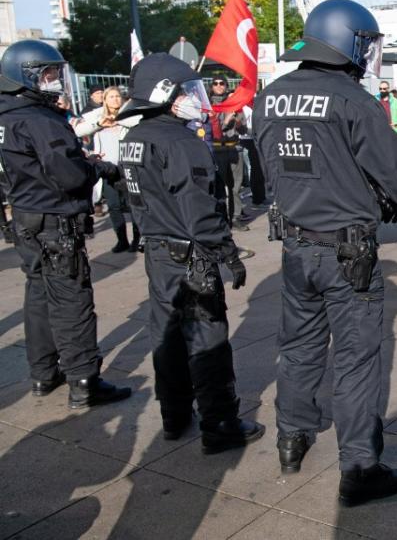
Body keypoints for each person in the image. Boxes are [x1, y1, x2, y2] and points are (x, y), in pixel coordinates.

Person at [254, 0, 397, 504]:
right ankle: (360, 468)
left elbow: (266, 168)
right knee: (355, 361)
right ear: (349, 42)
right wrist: (381, 201)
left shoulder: (271, 95)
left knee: (298, 347)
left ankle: (291, 436)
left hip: (296, 245)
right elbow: (395, 172)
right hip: (348, 253)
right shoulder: (351, 98)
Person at [115, 53, 264, 452]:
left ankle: (174, 415)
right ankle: (219, 424)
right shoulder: (182, 143)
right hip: (191, 254)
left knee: (167, 337)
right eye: (187, 91)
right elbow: (200, 209)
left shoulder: (134, 138)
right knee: (207, 340)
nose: (196, 98)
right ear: (167, 94)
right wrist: (226, 251)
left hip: (158, 251)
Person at [0, 39, 132, 409]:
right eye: (47, 73)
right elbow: (71, 176)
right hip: (56, 220)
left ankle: (43, 373)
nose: (55, 79)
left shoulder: (7, 116)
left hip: (25, 215)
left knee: (38, 295)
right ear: (25, 76)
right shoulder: (41, 120)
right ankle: (84, 381)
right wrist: (98, 167)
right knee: (71, 299)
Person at [73, 86, 140, 253]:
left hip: (127, 166)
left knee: (133, 206)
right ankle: (121, 240)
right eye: (111, 97)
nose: (115, 99)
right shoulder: (97, 116)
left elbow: (137, 123)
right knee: (114, 206)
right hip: (107, 168)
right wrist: (98, 124)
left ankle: (138, 239)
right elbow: (79, 131)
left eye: (118, 96)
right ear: (104, 100)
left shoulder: (129, 114)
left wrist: (119, 120)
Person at [208, 76, 250, 230]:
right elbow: (209, 130)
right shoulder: (208, 106)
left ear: (226, 86)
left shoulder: (235, 104)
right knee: (219, 187)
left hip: (234, 149)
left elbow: (244, 129)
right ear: (211, 86)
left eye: (222, 83)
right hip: (217, 150)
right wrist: (225, 122)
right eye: (215, 83)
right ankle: (221, 217)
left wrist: (237, 121)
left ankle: (236, 216)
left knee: (236, 187)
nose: (219, 86)